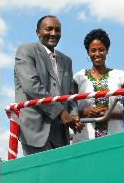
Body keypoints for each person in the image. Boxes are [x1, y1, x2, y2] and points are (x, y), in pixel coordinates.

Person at [14, 15, 84, 155]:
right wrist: (61, 113)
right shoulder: (26, 51)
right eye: (49, 29)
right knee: (39, 175)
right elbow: (32, 87)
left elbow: (71, 95)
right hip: (35, 130)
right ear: (38, 32)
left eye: (57, 30)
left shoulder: (66, 60)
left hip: (61, 133)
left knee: (60, 175)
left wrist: (73, 115)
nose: (53, 33)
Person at [72, 29, 124, 142]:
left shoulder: (120, 76)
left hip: (114, 139)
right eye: (93, 50)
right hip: (85, 140)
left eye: (101, 50)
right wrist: (86, 112)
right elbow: (69, 109)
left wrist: (110, 114)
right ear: (88, 52)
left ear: (107, 51)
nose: (97, 54)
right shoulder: (78, 78)